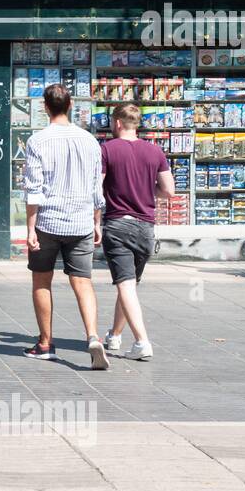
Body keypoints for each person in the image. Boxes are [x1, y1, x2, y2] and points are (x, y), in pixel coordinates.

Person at [22, 83, 109, 369]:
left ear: (44, 107)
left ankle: (45, 342)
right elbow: (97, 187)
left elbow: (34, 189)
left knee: (41, 279)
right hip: (81, 220)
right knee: (83, 282)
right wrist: (97, 222)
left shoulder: (38, 141)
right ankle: (93, 336)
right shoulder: (90, 141)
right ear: (70, 105)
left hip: (48, 220)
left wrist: (30, 228)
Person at [100, 103, 174, 362]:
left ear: (118, 123)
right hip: (145, 227)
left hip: (118, 224)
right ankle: (115, 335)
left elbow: (96, 188)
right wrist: (145, 191)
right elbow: (168, 190)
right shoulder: (155, 151)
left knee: (126, 285)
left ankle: (142, 341)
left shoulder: (107, 149)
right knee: (128, 283)